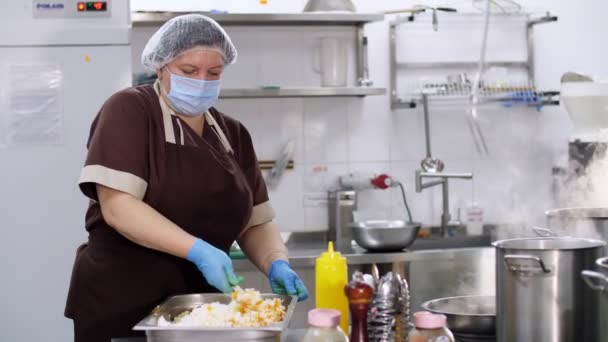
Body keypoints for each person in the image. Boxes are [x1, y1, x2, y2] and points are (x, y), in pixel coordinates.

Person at [64, 14, 308, 342]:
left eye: (214, 73)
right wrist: (197, 250)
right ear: (161, 66)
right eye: (189, 71)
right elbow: (118, 206)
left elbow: (256, 221)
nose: (202, 81)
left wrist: (275, 261)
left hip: (199, 309)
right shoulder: (130, 110)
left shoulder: (232, 133)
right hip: (123, 301)